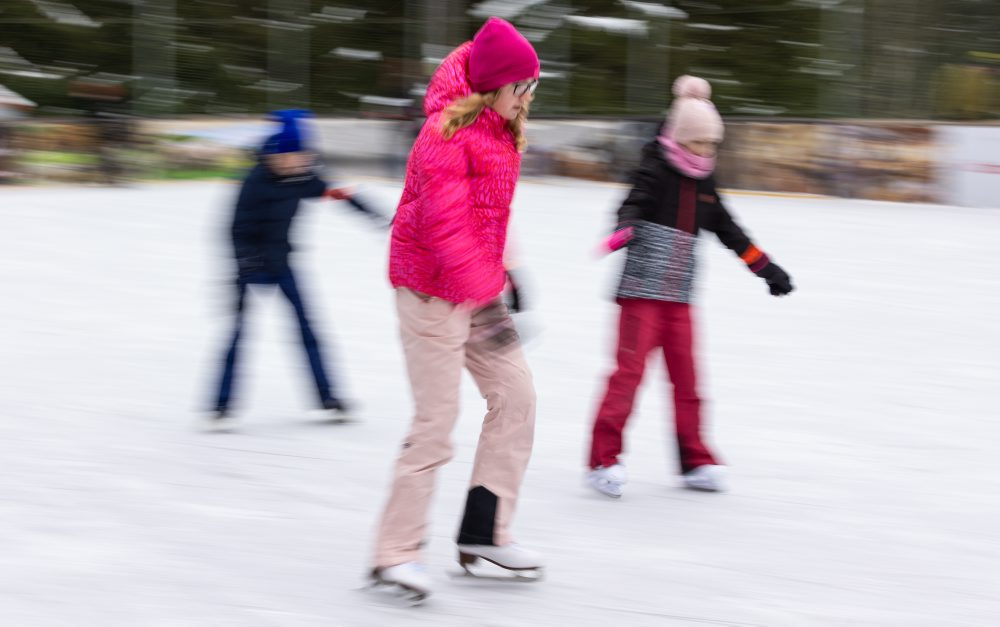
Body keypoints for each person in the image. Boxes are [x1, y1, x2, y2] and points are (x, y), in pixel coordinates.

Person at [369, 17, 543, 599]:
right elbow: (445, 224)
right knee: (436, 422)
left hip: (477, 292)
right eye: (521, 88)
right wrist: (484, 285)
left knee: (516, 397)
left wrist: (510, 272)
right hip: (429, 293)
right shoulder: (444, 134)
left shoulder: (499, 128)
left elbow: (492, 214)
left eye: (531, 89)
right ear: (493, 86)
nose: (527, 99)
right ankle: (395, 552)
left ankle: (485, 531)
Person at [586, 76, 795, 498]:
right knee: (627, 377)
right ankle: (602, 460)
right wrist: (624, 228)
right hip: (641, 294)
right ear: (682, 139)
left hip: (678, 298)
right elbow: (633, 202)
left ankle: (695, 461)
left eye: (713, 145)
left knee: (688, 382)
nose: (708, 152)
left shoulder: (705, 184)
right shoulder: (655, 169)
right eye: (701, 143)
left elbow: (730, 230)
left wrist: (766, 269)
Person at [211, 109, 385, 424]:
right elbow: (234, 228)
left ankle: (327, 396)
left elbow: (339, 194)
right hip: (249, 267)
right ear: (279, 155)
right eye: (297, 155)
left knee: (308, 329)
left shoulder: (303, 179)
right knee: (238, 333)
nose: (303, 161)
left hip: (282, 264)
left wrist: (373, 214)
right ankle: (221, 404)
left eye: (306, 155)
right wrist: (244, 262)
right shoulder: (254, 183)